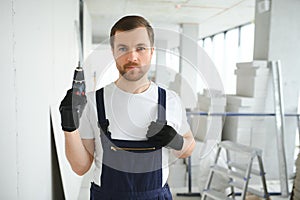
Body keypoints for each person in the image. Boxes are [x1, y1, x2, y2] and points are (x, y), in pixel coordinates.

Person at [59, 15, 195, 200]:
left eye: (140, 48)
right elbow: (80, 167)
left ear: (151, 51)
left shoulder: (170, 100)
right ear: (113, 51)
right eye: (123, 48)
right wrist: (69, 127)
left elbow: (188, 147)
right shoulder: (93, 102)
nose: (132, 56)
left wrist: (176, 140)